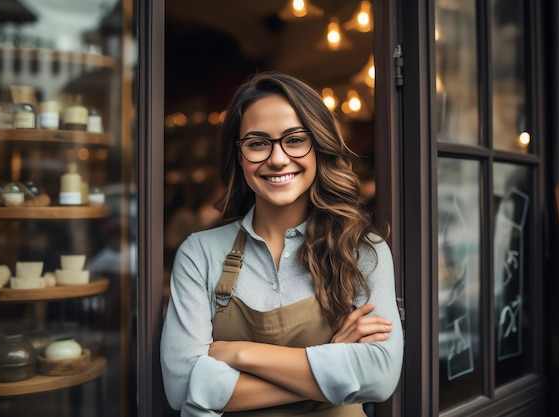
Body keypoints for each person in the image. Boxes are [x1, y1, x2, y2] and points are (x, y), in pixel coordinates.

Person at [160, 72, 403, 417]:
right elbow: (181, 387)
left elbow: (379, 378)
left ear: (318, 146)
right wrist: (333, 366)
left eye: (295, 139)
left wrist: (235, 354)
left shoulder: (363, 250)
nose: (277, 159)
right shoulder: (199, 253)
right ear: (239, 155)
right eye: (258, 143)